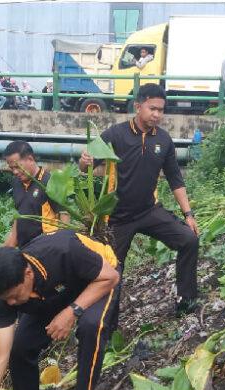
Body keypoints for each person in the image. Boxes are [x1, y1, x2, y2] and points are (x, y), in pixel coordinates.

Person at [79, 83, 200, 317]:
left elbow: (175, 179)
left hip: (149, 211)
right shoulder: (115, 134)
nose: (157, 114)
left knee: (189, 240)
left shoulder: (163, 140)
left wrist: (188, 215)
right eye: (152, 108)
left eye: (161, 110)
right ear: (138, 106)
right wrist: (84, 163)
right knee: (112, 271)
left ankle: (186, 302)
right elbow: (88, 169)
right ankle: (106, 323)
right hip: (117, 217)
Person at [0, 230, 120, 390]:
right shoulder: (6, 294)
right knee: (20, 347)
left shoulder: (63, 251)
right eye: (6, 299)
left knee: (91, 326)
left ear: (28, 274)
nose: (11, 303)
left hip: (98, 278)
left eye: (14, 296)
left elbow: (110, 277)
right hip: (55, 292)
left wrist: (71, 311)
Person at [3, 141, 67, 248]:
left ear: (30, 159)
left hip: (47, 249)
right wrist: (5, 248)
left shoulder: (50, 182)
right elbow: (20, 216)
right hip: (25, 249)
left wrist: (60, 248)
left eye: (17, 167)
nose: (14, 172)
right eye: (11, 168)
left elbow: (64, 217)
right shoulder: (17, 183)